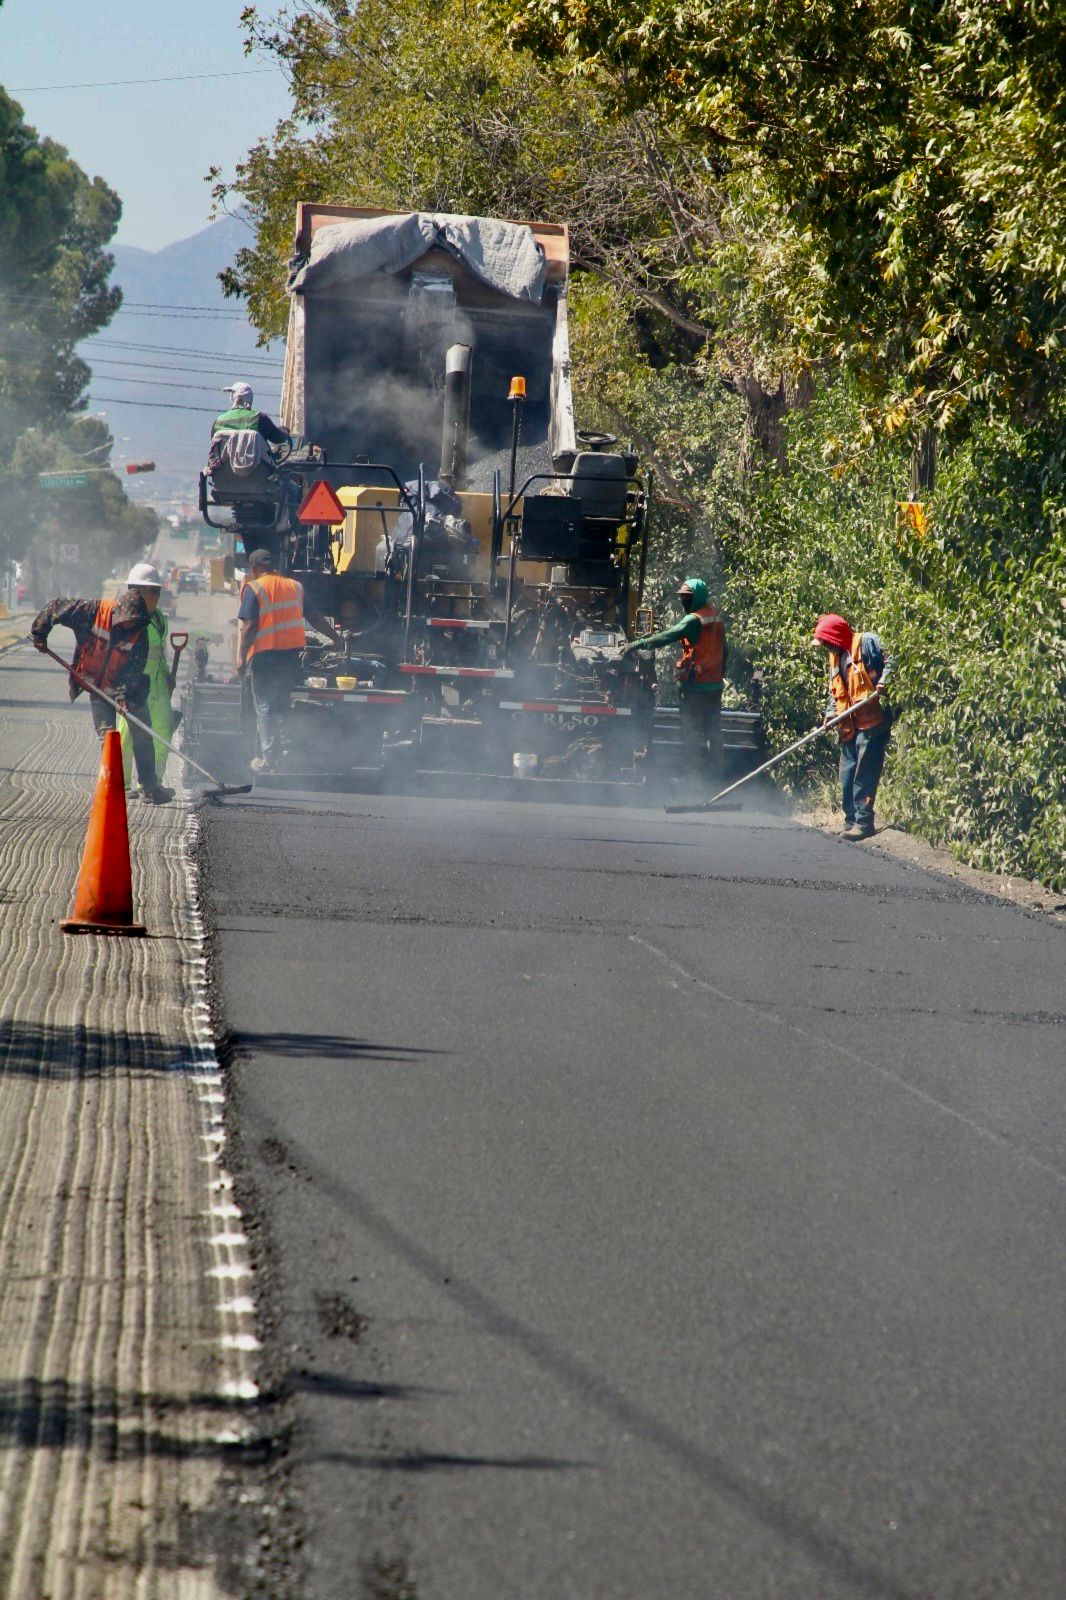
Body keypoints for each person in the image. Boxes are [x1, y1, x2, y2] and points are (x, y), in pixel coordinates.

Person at [31, 586, 174, 803]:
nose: (130, 628)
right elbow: (54, 607)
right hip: (97, 683)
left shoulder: (140, 632)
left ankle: (150, 786)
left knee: (143, 733)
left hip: (129, 686)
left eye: (135, 623)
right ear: (118, 614)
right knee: (108, 738)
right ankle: (113, 786)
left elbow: (134, 670)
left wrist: (123, 695)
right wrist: (40, 633)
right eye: (127, 622)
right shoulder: (90, 611)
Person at [236, 548, 341, 772]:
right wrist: (336, 638)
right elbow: (314, 617)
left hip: (264, 656)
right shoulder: (295, 587)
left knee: (265, 706)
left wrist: (241, 658)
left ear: (254, 568)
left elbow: (249, 625)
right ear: (274, 566)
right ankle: (285, 755)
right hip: (290, 657)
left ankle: (268, 759)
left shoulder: (254, 587)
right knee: (282, 705)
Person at [621, 578, 726, 762]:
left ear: (697, 597)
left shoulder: (693, 620)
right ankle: (717, 773)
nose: (683, 600)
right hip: (714, 688)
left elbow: (667, 636)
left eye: (687, 597)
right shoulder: (715, 616)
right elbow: (725, 651)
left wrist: (637, 644)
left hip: (695, 689)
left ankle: (694, 774)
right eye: (683, 597)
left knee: (691, 733)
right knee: (713, 732)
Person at [812, 612, 894, 840]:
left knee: (863, 772)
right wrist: (830, 714)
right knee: (847, 773)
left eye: (827, 642)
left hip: (872, 720)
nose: (826, 647)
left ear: (836, 637)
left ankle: (864, 822)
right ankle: (850, 821)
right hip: (849, 723)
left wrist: (885, 680)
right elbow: (835, 691)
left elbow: (894, 657)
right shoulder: (835, 657)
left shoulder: (868, 642)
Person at [116, 563, 176, 789]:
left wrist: (168, 676)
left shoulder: (160, 618)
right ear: (135, 592)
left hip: (158, 685)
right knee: (127, 737)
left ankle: (152, 782)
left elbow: (159, 654)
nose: (157, 596)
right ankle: (121, 784)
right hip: (133, 685)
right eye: (153, 591)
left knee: (163, 731)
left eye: (158, 591)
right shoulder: (126, 618)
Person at [211, 383, 291, 453]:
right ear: (250, 399)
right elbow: (279, 439)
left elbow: (214, 444)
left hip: (222, 468)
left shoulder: (218, 421)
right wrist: (285, 430)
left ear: (232, 398)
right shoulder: (260, 419)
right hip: (255, 468)